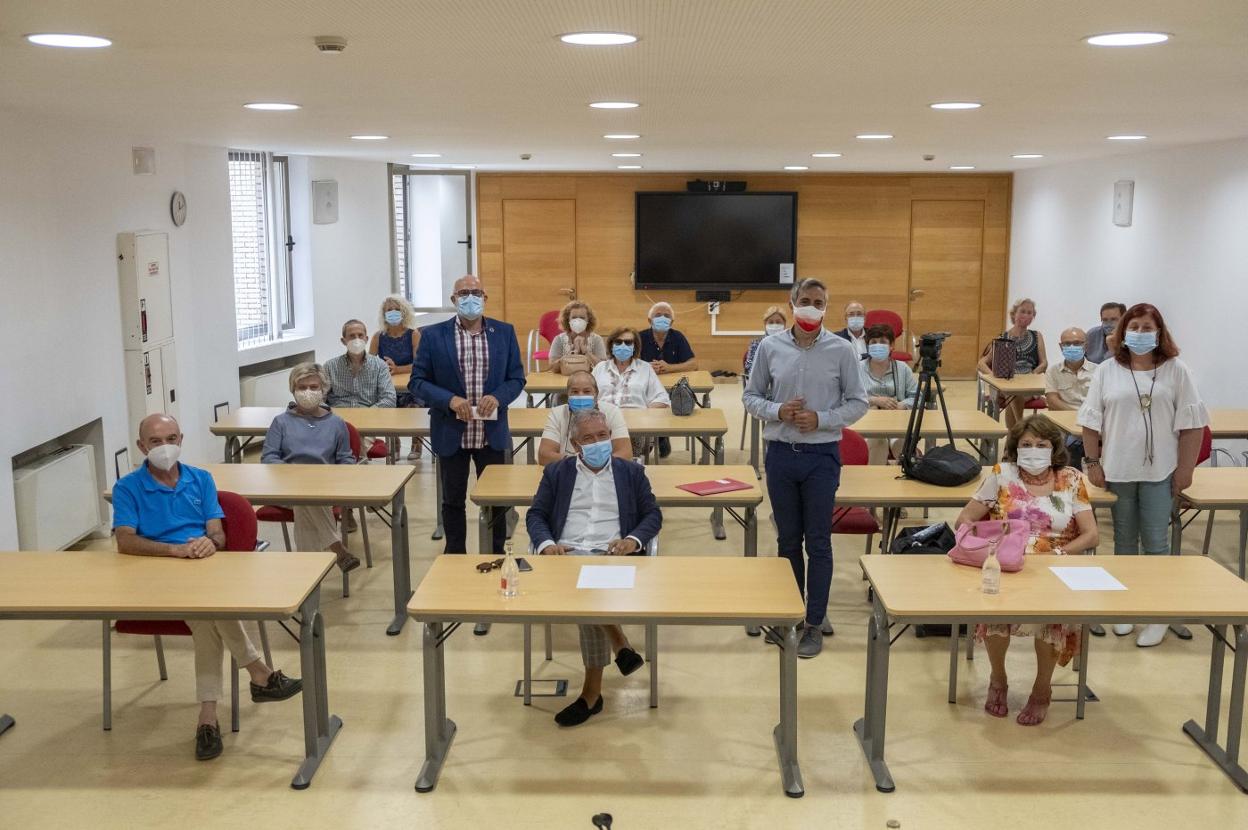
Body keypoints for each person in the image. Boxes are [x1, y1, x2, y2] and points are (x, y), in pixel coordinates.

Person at [113, 414, 303, 761]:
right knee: (210, 612)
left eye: (171, 438)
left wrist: (209, 544)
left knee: (206, 619)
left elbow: (217, 531)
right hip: (153, 575)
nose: (165, 447)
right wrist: (174, 550)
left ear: (181, 439)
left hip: (202, 570)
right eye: (156, 442)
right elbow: (125, 541)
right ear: (142, 446)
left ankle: (208, 717)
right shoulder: (128, 488)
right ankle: (259, 673)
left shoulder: (201, 479)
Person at [743, 278, 869, 657]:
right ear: (792, 302)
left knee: (818, 541)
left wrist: (823, 419)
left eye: (818, 302)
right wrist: (776, 410)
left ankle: (814, 621)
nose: (811, 307)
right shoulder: (770, 346)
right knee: (787, 540)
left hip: (820, 456)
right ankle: (791, 613)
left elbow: (858, 402)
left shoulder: (841, 349)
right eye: (805, 301)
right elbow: (750, 396)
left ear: (826, 307)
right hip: (780, 454)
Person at [954, 414, 1099, 726]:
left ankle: (1041, 689)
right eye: (1027, 444)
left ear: (1054, 448)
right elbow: (964, 519)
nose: (1034, 450)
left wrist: (1059, 553)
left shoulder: (1071, 478)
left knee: (1051, 619)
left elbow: (1091, 534)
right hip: (1007, 563)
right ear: (1015, 448)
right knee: (995, 613)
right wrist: (989, 543)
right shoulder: (1001, 474)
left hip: (1055, 565)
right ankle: (998, 679)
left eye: (1041, 444)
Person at [1079, 303, 1208, 647]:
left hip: (1160, 471)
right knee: (1123, 541)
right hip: (1118, 470)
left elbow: (1193, 425)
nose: (1139, 333)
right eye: (1133, 327)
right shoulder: (1107, 371)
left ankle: (1157, 615)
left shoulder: (1177, 371)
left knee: (1156, 545)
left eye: (1146, 327)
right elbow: (1090, 422)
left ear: (1160, 332)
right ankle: (1124, 607)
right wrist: (1092, 463)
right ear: (1122, 333)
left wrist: (1185, 471)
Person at [526, 409, 662, 727]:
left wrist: (632, 540)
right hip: (567, 556)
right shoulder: (557, 473)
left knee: (588, 592)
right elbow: (536, 515)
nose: (598, 442)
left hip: (614, 555)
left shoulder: (631, 472)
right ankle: (619, 644)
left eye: (603, 436)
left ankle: (592, 693)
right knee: (584, 586)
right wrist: (547, 546)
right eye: (589, 438)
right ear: (575, 444)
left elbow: (652, 515)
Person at [410, 275, 526, 572]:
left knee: (498, 500)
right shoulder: (433, 335)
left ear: (485, 297)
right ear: (453, 300)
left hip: (492, 433)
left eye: (476, 292)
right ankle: (455, 558)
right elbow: (417, 382)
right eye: (464, 293)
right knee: (452, 500)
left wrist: (498, 397)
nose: (470, 297)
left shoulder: (504, 332)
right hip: (452, 431)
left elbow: (516, 378)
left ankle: (499, 554)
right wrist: (449, 400)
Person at [261, 363, 361, 573]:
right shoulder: (280, 422)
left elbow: (346, 460)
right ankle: (337, 549)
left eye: (313, 387)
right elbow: (269, 458)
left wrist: (332, 478)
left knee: (306, 501)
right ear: (293, 389)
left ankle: (307, 579)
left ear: (323, 390)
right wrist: (294, 475)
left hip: (325, 489)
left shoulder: (336, 423)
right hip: (286, 488)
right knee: (303, 497)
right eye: (302, 387)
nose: (308, 392)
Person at [594, 326, 670, 458]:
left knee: (625, 453)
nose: (623, 345)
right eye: (618, 342)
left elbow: (662, 398)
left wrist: (642, 413)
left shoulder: (645, 368)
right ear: (611, 345)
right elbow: (589, 395)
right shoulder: (600, 368)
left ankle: (626, 470)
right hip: (603, 423)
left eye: (628, 342)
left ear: (635, 347)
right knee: (595, 445)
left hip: (635, 427)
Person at [977, 298, 1048, 428]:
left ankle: (1014, 434)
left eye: (1029, 312)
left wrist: (1031, 375)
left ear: (1033, 316)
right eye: (1022, 311)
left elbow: (1044, 363)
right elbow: (981, 363)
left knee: (1015, 393)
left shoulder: (1037, 336)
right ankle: (1020, 429)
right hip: (1006, 384)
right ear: (1014, 314)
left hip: (1029, 384)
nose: (1026, 315)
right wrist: (995, 377)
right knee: (1013, 391)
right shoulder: (1002, 338)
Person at [638, 301, 696, 459]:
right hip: (645, 387)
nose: (662, 318)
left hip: (673, 388)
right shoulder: (639, 337)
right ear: (649, 320)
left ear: (672, 321)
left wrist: (670, 367)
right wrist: (646, 367)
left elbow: (693, 363)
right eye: (658, 315)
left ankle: (661, 436)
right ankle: (653, 437)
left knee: (671, 401)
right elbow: (628, 361)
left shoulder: (678, 337)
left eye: (666, 316)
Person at [537, 371, 632, 465]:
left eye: (587, 391)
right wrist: (581, 463)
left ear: (596, 394)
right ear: (568, 395)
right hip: (569, 472)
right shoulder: (557, 413)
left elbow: (625, 454)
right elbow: (544, 456)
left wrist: (598, 466)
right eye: (575, 392)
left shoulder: (612, 412)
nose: (580, 396)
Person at [370, 294, 423, 459]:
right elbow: (369, 362)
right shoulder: (378, 336)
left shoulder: (413, 334)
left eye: (396, 310)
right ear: (384, 314)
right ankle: (395, 444)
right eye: (389, 310)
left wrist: (398, 369)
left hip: (411, 385)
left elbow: (420, 364)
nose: (392, 313)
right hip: (387, 385)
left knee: (414, 406)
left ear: (404, 312)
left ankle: (417, 444)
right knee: (387, 405)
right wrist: (382, 367)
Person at [859, 323, 919, 464]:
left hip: (896, 421)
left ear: (892, 345)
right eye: (873, 342)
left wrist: (902, 405)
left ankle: (906, 478)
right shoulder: (857, 368)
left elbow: (917, 397)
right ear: (867, 345)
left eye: (883, 342)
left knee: (901, 444)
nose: (877, 345)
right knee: (878, 443)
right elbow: (846, 398)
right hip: (867, 422)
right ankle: (875, 482)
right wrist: (873, 400)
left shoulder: (902, 369)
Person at [1044, 327, 1093, 468]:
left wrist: (1084, 418)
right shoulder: (1053, 371)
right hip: (1063, 424)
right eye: (1067, 344)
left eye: (1077, 343)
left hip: (1090, 423)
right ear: (1061, 346)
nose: (1072, 347)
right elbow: (1052, 401)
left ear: (1086, 345)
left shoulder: (1099, 371)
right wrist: (1076, 416)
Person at [547, 300, 608, 374]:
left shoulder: (597, 339)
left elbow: (603, 368)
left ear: (588, 320)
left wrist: (586, 352)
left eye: (582, 318)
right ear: (567, 320)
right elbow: (553, 368)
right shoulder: (559, 339)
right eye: (574, 318)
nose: (578, 321)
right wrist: (573, 353)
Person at [743, 305, 788, 381]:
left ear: (784, 323)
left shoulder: (791, 344)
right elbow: (751, 370)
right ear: (765, 324)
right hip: (764, 386)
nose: (774, 325)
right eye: (771, 322)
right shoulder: (756, 344)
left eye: (778, 322)